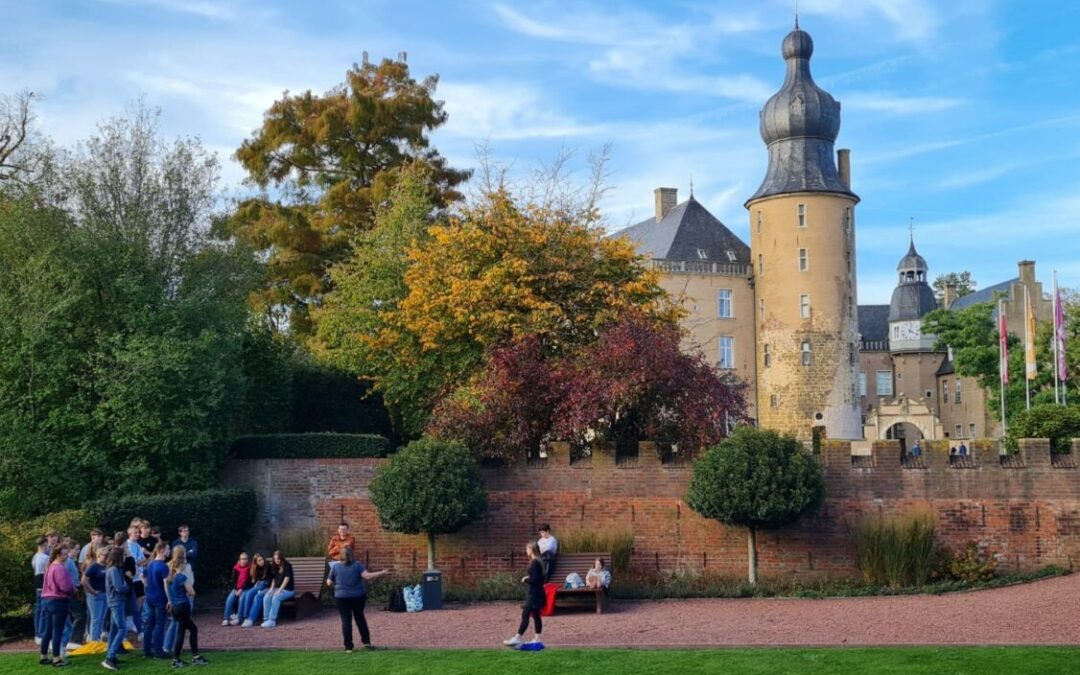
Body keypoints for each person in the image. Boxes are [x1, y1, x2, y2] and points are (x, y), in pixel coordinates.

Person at [326, 546, 389, 652]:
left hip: (341, 597)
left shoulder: (335, 567)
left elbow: (329, 583)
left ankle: (348, 647)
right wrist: (381, 572)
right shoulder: (357, 565)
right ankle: (366, 643)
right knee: (360, 618)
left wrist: (338, 584)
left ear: (341, 555)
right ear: (352, 554)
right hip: (358, 597)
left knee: (346, 621)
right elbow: (367, 576)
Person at [164, 550, 208, 667]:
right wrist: (187, 591)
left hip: (175, 608)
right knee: (181, 633)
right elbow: (192, 592)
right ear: (181, 564)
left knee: (192, 629)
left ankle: (195, 656)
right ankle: (177, 660)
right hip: (183, 607)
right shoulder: (181, 577)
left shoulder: (170, 578)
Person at [503, 541, 545, 647]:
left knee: (525, 614)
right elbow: (538, 578)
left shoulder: (535, 563)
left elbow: (535, 579)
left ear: (532, 550)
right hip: (537, 593)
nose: (526, 551)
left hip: (534, 594)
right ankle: (537, 638)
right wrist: (528, 578)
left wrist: (525, 580)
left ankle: (518, 637)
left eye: (527, 549)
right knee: (536, 615)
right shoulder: (538, 562)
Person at [39, 545, 75, 667]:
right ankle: (56, 658)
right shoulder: (59, 568)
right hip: (59, 601)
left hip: (47, 599)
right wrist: (73, 589)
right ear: (58, 555)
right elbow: (66, 587)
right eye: (64, 554)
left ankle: (43, 656)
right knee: (57, 631)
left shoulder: (49, 567)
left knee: (47, 630)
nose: (67, 556)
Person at [162, 545, 195, 654]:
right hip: (185, 598)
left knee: (174, 623)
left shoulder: (168, 566)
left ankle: (167, 646)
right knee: (184, 626)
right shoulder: (186, 566)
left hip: (173, 599)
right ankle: (178, 649)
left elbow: (166, 585)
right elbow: (190, 582)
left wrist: (169, 599)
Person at [102, 545, 129, 672]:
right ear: (118, 557)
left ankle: (111, 654)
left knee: (113, 629)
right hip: (116, 602)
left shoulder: (115, 569)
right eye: (123, 555)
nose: (124, 557)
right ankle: (110, 657)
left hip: (116, 601)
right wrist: (126, 585)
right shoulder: (113, 570)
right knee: (122, 629)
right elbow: (120, 587)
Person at [142, 542, 170, 658]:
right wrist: (170, 599)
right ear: (162, 550)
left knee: (149, 624)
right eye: (168, 549)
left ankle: (146, 650)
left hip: (150, 597)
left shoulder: (150, 564)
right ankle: (158, 651)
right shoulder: (163, 566)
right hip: (160, 598)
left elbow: (142, 576)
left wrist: (148, 587)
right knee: (160, 624)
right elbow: (166, 584)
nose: (169, 551)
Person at [60, 538, 86, 651]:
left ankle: (71, 640)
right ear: (70, 549)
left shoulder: (70, 561)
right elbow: (63, 576)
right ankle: (74, 641)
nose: (78, 551)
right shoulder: (68, 561)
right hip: (70, 592)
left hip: (73, 590)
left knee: (77, 615)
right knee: (80, 614)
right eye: (76, 549)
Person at [260, 550, 294, 628]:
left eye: (278, 558)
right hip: (277, 589)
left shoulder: (287, 565)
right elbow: (274, 580)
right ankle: (266, 619)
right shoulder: (274, 566)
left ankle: (272, 620)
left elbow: (287, 579)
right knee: (267, 597)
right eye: (275, 559)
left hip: (288, 590)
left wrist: (279, 590)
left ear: (281, 558)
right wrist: (271, 589)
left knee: (276, 597)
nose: (277, 560)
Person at [82, 547, 109, 643]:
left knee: (102, 618)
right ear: (99, 555)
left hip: (105, 594)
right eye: (105, 555)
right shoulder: (93, 566)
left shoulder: (106, 566)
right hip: (96, 596)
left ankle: (98, 638)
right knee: (96, 618)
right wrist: (92, 591)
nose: (106, 558)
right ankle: (94, 640)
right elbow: (84, 581)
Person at [240, 554, 274, 628]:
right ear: (256, 562)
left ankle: (250, 619)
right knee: (248, 593)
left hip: (267, 586)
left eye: (262, 559)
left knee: (256, 596)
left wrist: (270, 589)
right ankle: (246, 617)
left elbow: (272, 580)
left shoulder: (268, 566)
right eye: (259, 560)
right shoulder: (256, 568)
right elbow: (256, 581)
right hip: (260, 585)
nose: (261, 561)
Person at [222, 552, 252, 626]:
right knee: (230, 599)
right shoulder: (235, 568)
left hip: (246, 588)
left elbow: (249, 581)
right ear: (239, 560)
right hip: (237, 588)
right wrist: (235, 589)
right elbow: (233, 580)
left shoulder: (250, 568)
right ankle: (226, 618)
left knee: (241, 598)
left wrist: (241, 589)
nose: (244, 560)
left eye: (245, 559)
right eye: (242, 559)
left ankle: (239, 618)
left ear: (248, 560)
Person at [32, 535, 50, 646]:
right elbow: (43, 573)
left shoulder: (35, 556)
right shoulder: (43, 558)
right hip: (42, 586)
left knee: (39, 610)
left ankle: (38, 633)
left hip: (39, 586)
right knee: (42, 611)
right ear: (44, 545)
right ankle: (40, 634)